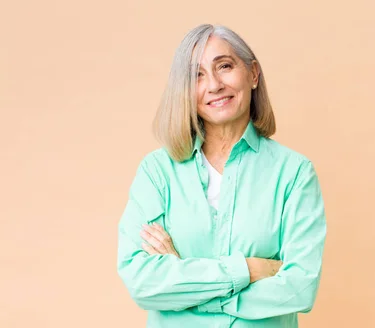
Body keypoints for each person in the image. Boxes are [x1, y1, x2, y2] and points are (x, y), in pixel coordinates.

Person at [116, 24, 327, 328]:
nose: (214, 85)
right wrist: (246, 270)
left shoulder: (294, 173)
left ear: (253, 74)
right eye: (196, 75)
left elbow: (300, 289)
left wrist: (190, 290)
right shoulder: (156, 172)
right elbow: (142, 282)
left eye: (224, 66)